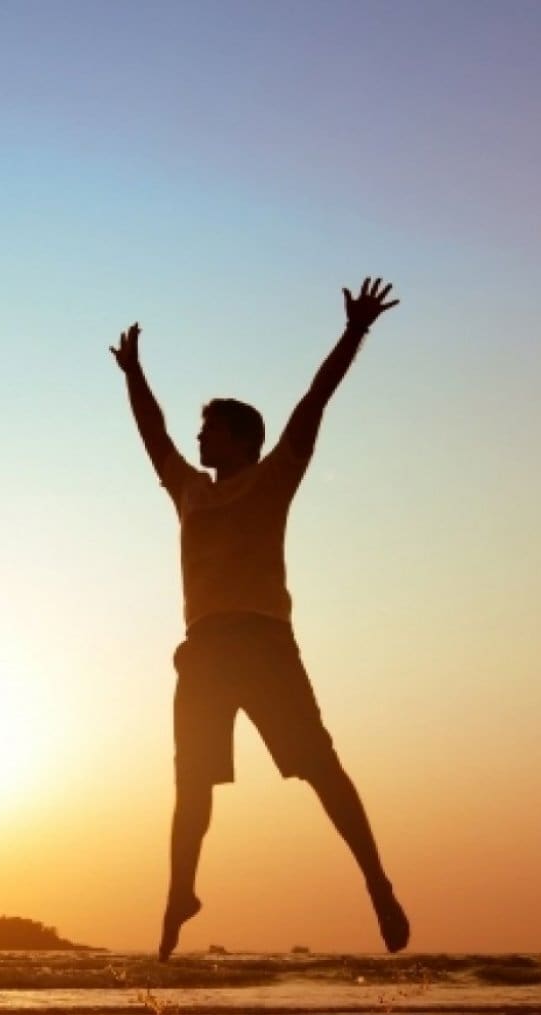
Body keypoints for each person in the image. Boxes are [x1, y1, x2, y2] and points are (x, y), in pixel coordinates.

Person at [111, 278, 409, 960]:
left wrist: (355, 331)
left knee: (320, 769)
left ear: (243, 439)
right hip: (204, 650)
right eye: (200, 430)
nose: (199, 437)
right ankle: (180, 893)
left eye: (210, 429)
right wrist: (134, 372)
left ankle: (377, 881)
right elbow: (152, 433)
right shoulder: (188, 490)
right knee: (192, 785)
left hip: (265, 644)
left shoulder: (273, 477)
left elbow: (313, 402)